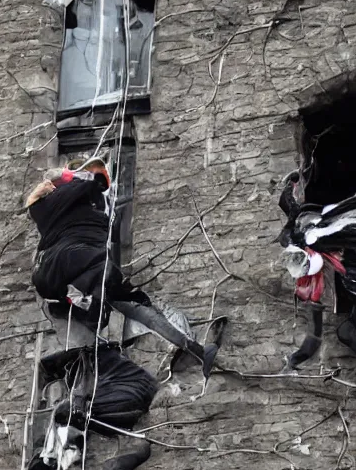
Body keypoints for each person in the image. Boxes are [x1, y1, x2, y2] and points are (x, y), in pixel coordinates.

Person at [25, 158, 222, 377]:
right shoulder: (75, 192)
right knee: (131, 302)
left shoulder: (44, 210)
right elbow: (96, 180)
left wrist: (45, 187)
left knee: (124, 305)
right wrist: (82, 175)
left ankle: (195, 350)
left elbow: (32, 201)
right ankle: (97, 315)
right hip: (83, 261)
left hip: (52, 273)